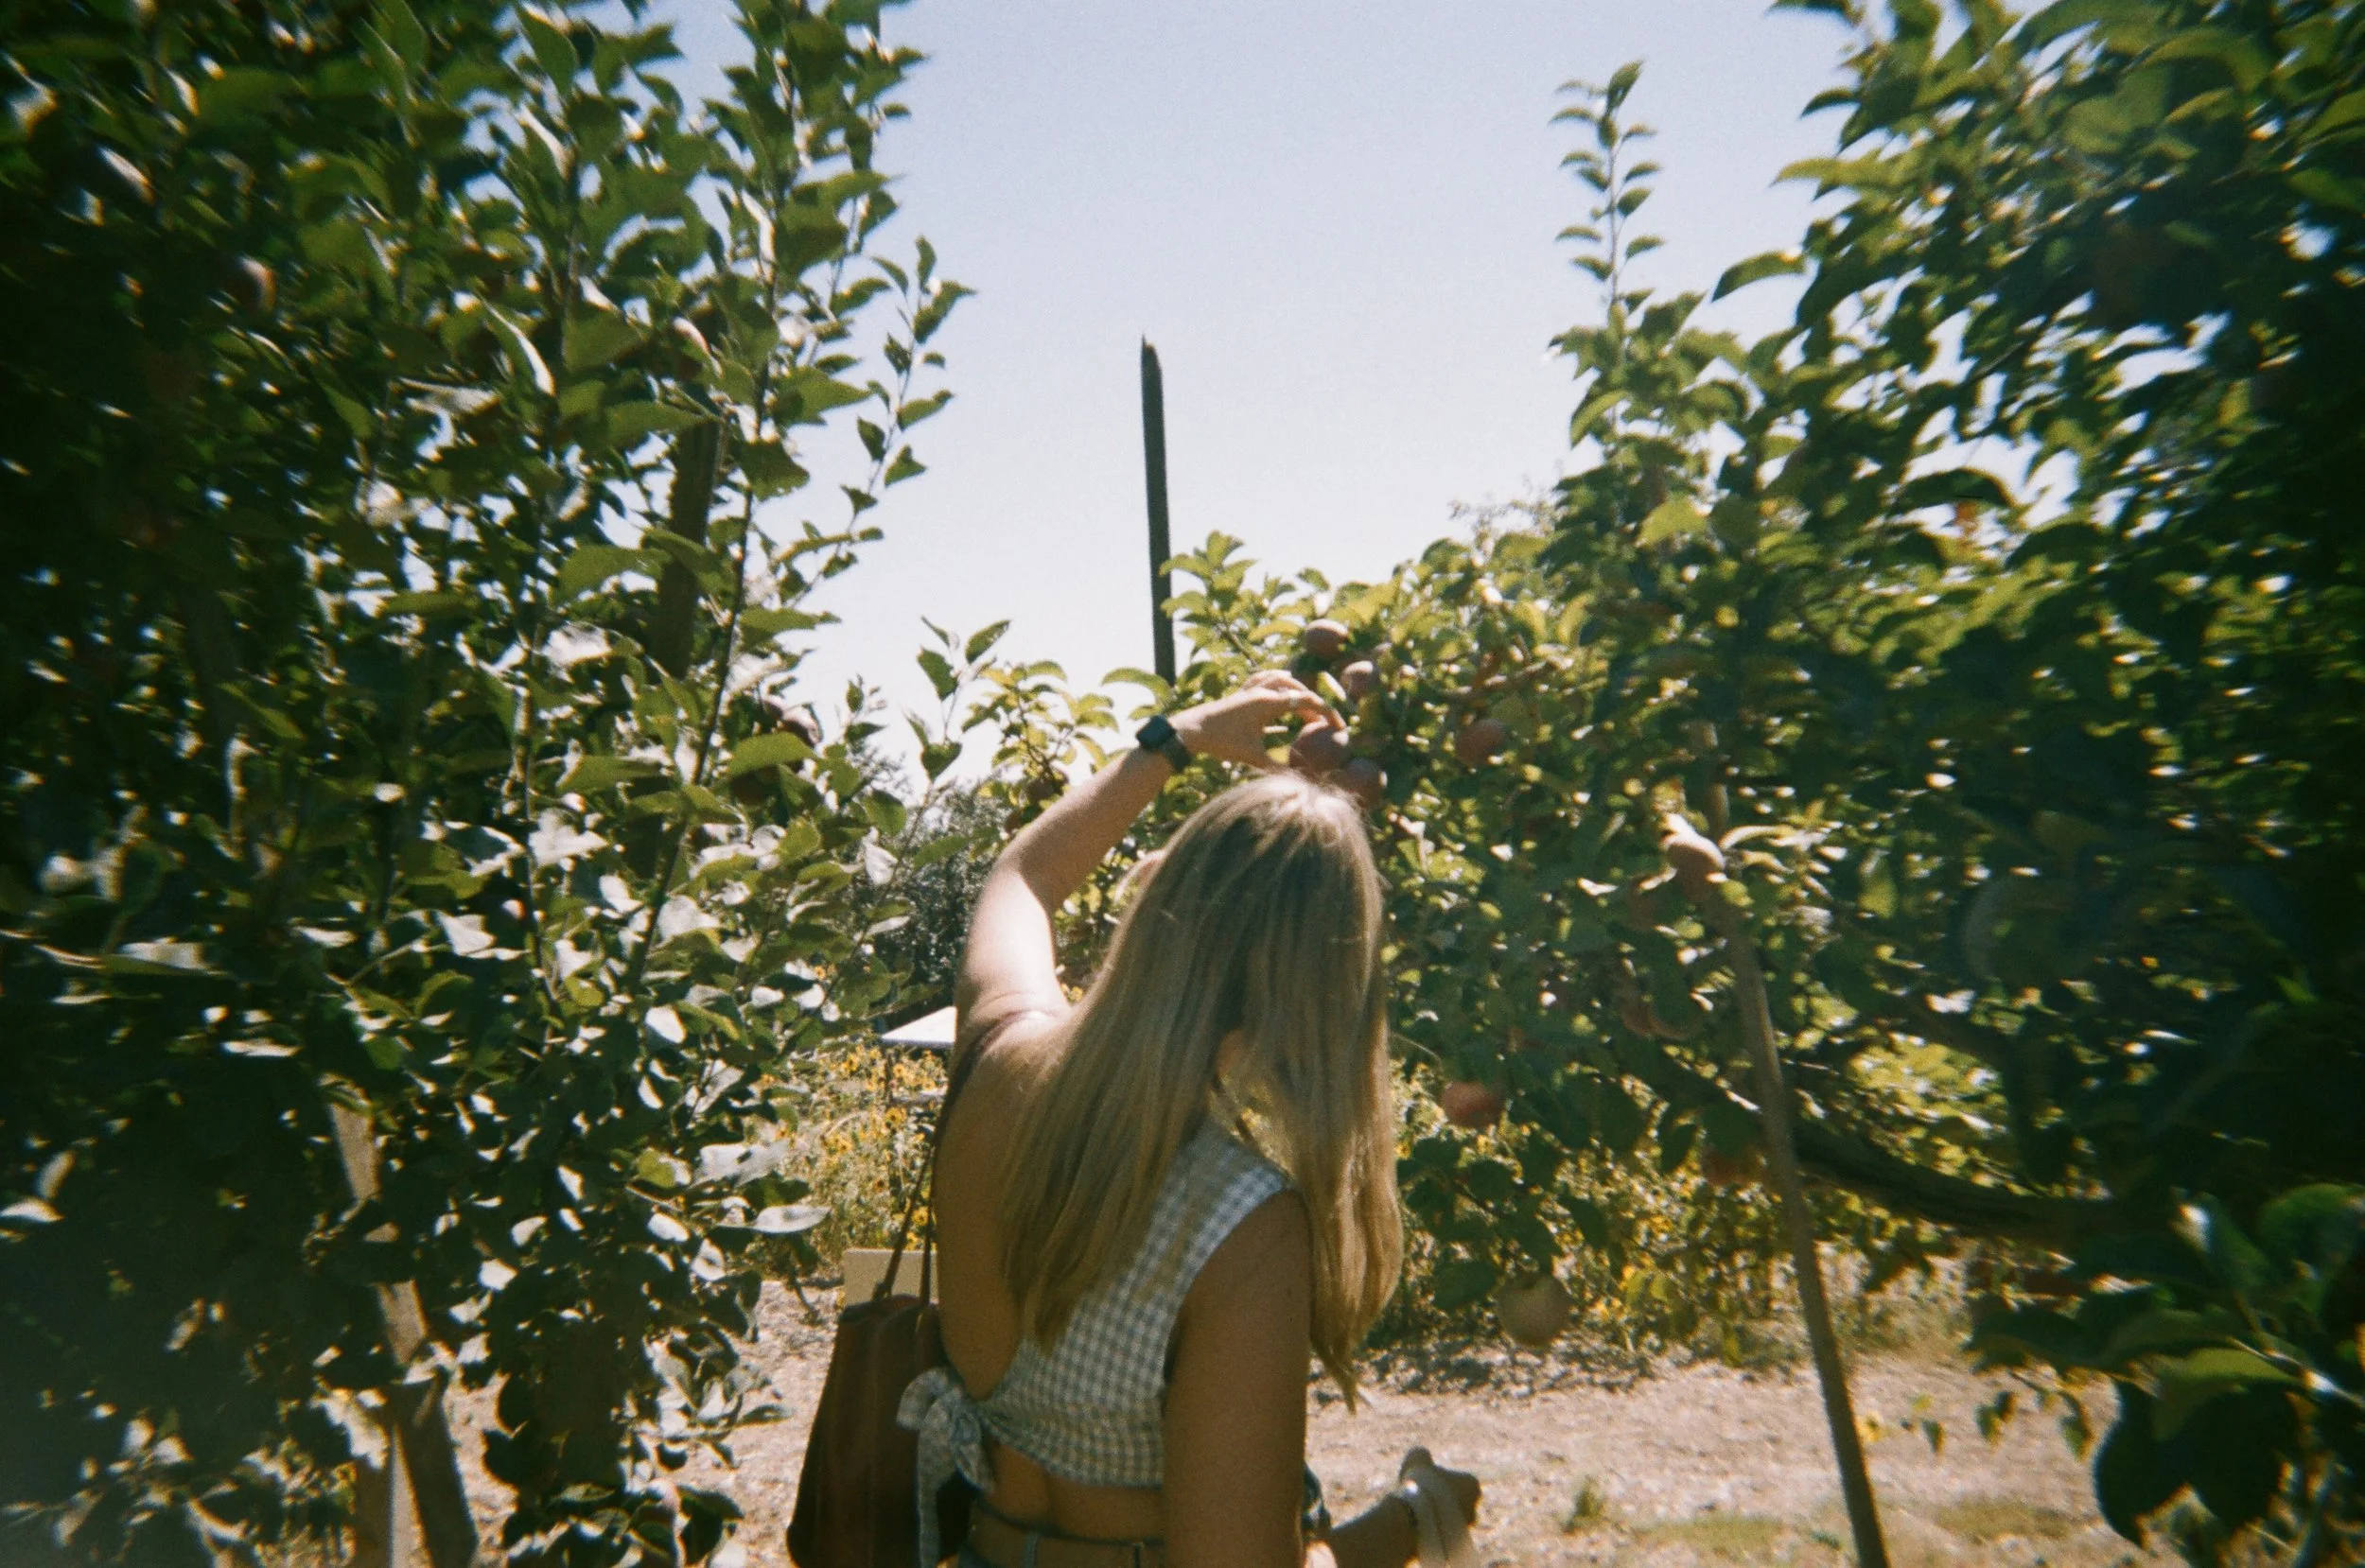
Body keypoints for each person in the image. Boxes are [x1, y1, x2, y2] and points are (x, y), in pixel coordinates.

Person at [900, 671, 1482, 1568]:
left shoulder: (1000, 1056)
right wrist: (1414, 1521)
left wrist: (1177, 741)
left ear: (1159, 918)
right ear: (1312, 1014)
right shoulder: (1242, 1227)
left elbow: (1021, 877)